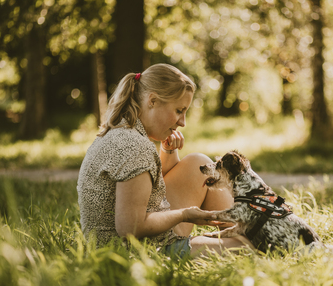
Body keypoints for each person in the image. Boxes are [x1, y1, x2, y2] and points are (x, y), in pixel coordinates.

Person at [77, 63, 253, 258]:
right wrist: (185, 214)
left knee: (197, 163)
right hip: (137, 253)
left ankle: (244, 227)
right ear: (152, 101)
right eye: (179, 111)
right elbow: (131, 228)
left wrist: (168, 152)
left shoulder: (122, 132)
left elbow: (144, 189)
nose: (183, 122)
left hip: (118, 245)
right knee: (249, 245)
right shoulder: (135, 147)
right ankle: (244, 234)